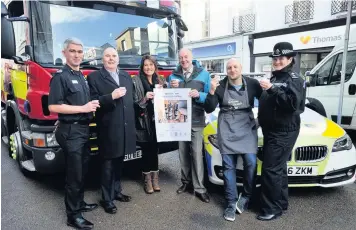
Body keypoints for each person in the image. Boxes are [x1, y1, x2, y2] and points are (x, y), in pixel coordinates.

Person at [48, 38, 99, 230]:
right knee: (74, 175)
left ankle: (80, 203)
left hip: (83, 129)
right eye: (73, 51)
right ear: (64, 53)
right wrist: (83, 108)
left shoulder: (81, 76)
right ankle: (73, 216)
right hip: (71, 131)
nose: (77, 55)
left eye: (79, 51)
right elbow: (53, 105)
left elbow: (72, 103)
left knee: (83, 169)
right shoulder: (60, 77)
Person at [204, 58, 263, 222]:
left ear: (241, 68)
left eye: (235, 67)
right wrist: (211, 91)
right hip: (227, 128)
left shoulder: (252, 84)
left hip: (247, 128)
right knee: (228, 167)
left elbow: (266, 101)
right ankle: (231, 202)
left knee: (251, 162)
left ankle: (246, 196)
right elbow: (209, 108)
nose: (232, 70)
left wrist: (261, 121)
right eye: (229, 67)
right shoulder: (220, 86)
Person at [257, 42, 306, 221]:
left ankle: (272, 208)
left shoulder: (293, 79)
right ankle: (281, 202)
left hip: (283, 131)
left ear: (290, 59)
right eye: (275, 58)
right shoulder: (277, 77)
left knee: (270, 170)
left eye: (281, 58)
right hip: (273, 130)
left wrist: (272, 89)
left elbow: (293, 105)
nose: (277, 61)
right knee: (279, 169)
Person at [87, 47, 136, 214]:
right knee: (107, 165)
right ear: (103, 59)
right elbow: (93, 102)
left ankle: (117, 191)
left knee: (119, 163)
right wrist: (111, 97)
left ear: (118, 59)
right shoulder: (94, 77)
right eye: (107, 56)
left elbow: (130, 101)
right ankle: (106, 199)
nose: (111, 58)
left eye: (114, 56)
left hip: (124, 128)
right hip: (108, 129)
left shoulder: (126, 76)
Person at [168, 48, 211, 203]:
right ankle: (186, 183)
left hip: (197, 120)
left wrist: (200, 95)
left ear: (191, 58)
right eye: (181, 57)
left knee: (197, 155)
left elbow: (210, 96)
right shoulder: (173, 75)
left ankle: (199, 188)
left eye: (186, 57)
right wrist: (170, 88)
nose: (183, 60)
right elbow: (169, 98)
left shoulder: (204, 74)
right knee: (183, 154)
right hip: (180, 120)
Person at [132, 55, 167, 194]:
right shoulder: (136, 81)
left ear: (155, 66)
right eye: (146, 65)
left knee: (155, 151)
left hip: (158, 121)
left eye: (151, 65)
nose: (149, 68)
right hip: (143, 122)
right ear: (142, 67)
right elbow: (134, 102)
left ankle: (155, 179)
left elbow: (167, 99)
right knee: (146, 152)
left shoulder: (161, 80)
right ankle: (147, 181)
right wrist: (145, 98)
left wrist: (169, 89)